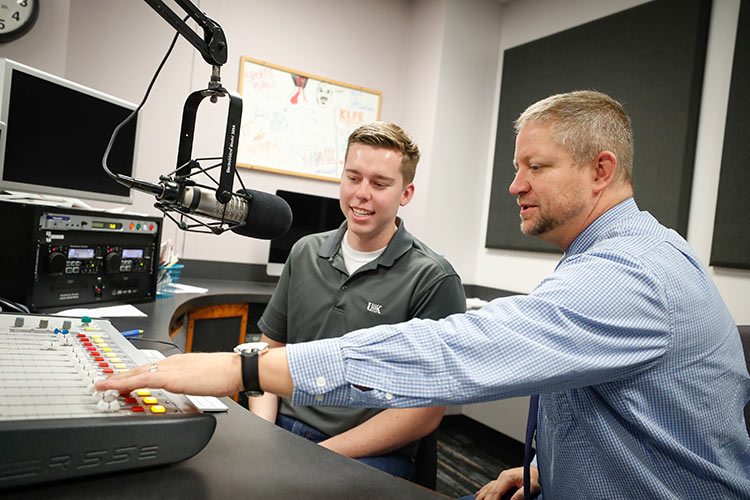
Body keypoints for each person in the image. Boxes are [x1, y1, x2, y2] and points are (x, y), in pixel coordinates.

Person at [98, 91, 750, 499]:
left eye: (536, 167)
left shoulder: (632, 273)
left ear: (600, 171)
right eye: (514, 167)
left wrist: (241, 366)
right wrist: (548, 472)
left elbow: (448, 354)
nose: (514, 186)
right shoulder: (612, 260)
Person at [249, 121, 466, 480]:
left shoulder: (433, 278)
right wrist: (261, 435)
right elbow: (267, 354)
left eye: (379, 184)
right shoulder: (305, 252)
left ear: (406, 193)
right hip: (280, 426)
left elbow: (424, 413)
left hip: (365, 449)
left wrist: (314, 457)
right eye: (353, 178)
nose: (361, 193)